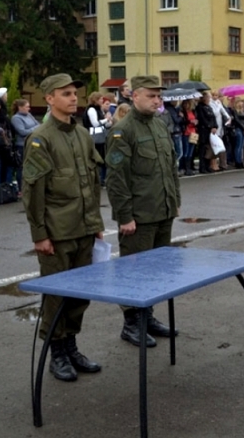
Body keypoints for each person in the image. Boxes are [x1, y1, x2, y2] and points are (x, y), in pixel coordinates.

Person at [21, 73, 104, 382]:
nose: (73, 98)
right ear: (49, 99)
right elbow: (33, 192)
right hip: (57, 233)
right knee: (57, 296)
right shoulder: (41, 138)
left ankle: (71, 346)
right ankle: (56, 352)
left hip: (84, 229)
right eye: (66, 93)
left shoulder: (82, 135)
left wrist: (96, 223)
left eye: (75, 93)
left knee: (81, 294)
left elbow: (93, 184)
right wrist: (39, 234)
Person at [105, 75, 181, 348]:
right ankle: (131, 323)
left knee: (157, 270)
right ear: (134, 96)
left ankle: (147, 315)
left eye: (159, 96)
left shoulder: (159, 125)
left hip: (162, 211)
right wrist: (124, 216)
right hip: (139, 217)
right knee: (133, 271)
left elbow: (171, 167)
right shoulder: (122, 131)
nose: (157, 100)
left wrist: (175, 200)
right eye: (151, 95)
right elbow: (116, 178)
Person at [83, 92, 113, 185]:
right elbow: (95, 123)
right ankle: (97, 179)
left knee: (103, 157)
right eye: (100, 99)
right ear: (95, 100)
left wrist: (109, 121)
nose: (101, 100)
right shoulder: (91, 109)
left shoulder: (99, 109)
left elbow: (104, 124)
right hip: (95, 137)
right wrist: (106, 119)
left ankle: (101, 178)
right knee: (97, 158)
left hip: (101, 137)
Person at [10, 99, 40, 192]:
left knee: (33, 165)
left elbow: (39, 124)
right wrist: (35, 128)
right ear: (20, 107)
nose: (29, 108)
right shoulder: (16, 118)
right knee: (22, 167)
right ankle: (21, 188)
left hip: (34, 143)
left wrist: (34, 128)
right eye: (27, 106)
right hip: (22, 145)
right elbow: (22, 132)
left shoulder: (29, 115)